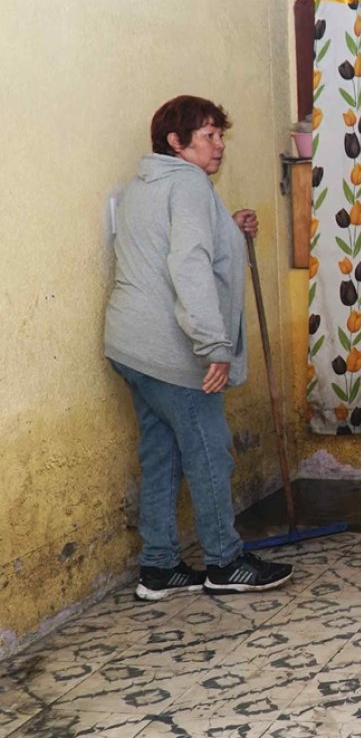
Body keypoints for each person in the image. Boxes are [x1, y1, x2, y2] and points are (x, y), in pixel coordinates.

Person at [105, 95, 293, 600]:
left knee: (161, 453)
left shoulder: (146, 183)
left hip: (129, 343)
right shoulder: (188, 184)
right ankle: (225, 561)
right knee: (210, 451)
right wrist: (214, 345)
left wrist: (228, 230)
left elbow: (176, 244)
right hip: (171, 349)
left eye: (220, 135)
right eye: (209, 136)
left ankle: (159, 566)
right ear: (176, 142)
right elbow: (187, 262)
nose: (219, 146)